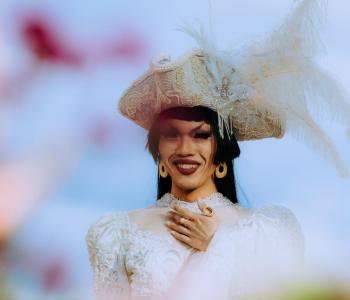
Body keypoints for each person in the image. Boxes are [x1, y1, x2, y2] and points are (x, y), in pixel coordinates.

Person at [85, 0, 350, 299]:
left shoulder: (266, 232)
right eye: (172, 135)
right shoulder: (117, 234)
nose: (185, 148)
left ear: (221, 148)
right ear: (158, 148)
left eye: (200, 136)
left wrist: (217, 246)